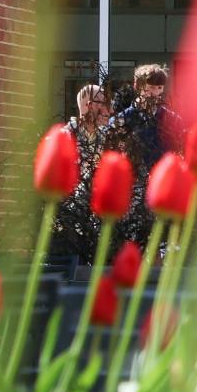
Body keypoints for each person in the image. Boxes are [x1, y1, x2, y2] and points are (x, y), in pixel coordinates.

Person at [102, 63, 177, 245]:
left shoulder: (171, 120)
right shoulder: (122, 121)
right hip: (133, 191)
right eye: (151, 87)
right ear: (139, 87)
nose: (155, 93)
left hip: (162, 189)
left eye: (159, 88)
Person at [54, 82, 110, 261]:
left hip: (100, 219)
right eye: (101, 103)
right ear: (88, 105)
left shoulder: (107, 139)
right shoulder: (65, 137)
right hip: (70, 219)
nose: (106, 109)